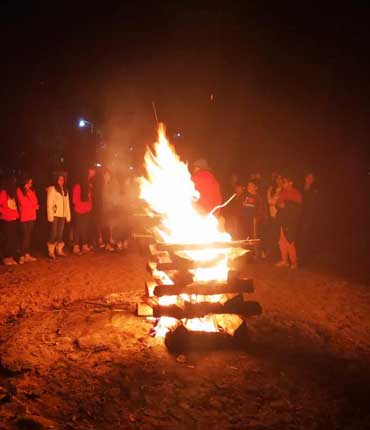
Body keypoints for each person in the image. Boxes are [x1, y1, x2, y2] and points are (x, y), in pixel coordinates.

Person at [276, 174, 302, 269]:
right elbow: (278, 204)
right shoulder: (283, 193)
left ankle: (294, 262)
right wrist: (279, 205)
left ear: (291, 182)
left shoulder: (296, 193)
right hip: (283, 220)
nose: (283, 184)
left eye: (284, 182)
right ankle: (284, 260)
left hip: (291, 221)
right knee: (282, 241)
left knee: (290, 241)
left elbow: (297, 208)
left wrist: (285, 205)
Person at [46, 173, 71, 259]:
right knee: (54, 233)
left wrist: (68, 215)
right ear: (56, 180)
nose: (61, 181)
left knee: (60, 233)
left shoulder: (65, 190)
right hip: (55, 215)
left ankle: (59, 250)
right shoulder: (52, 189)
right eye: (59, 180)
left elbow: (67, 204)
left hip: (62, 215)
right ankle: (51, 251)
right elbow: (49, 202)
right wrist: (50, 215)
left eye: (62, 180)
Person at [16, 175, 39, 263]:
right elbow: (23, 202)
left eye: (31, 183)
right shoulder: (19, 190)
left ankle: (27, 254)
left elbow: (35, 201)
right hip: (24, 216)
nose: (30, 184)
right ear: (24, 182)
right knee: (24, 236)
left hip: (32, 216)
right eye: (28, 183)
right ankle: (22, 255)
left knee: (29, 236)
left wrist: (29, 191)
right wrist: (33, 205)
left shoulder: (32, 190)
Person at [299, 172, 319, 265]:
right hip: (299, 216)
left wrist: (310, 218)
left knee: (305, 237)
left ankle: (304, 259)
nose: (309, 179)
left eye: (311, 177)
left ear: (313, 179)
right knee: (298, 236)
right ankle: (298, 257)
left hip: (308, 217)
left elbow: (313, 205)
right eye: (308, 177)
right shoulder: (300, 188)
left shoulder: (315, 190)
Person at [72, 169, 94, 254]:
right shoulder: (77, 186)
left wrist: (89, 206)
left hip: (86, 210)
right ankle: (76, 246)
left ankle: (84, 245)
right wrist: (81, 206)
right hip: (79, 210)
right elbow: (75, 200)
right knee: (77, 228)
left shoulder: (88, 186)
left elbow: (90, 198)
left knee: (84, 228)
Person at [0, 176, 20, 265]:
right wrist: (4, 212)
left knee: (13, 238)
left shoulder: (12, 193)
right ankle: (6, 257)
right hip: (6, 219)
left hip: (14, 219)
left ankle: (10, 257)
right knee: (7, 239)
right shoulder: (4, 193)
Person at [266, 172, 283, 260]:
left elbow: (271, 202)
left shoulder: (282, 190)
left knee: (277, 236)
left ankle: (277, 256)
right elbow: (270, 203)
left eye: (280, 178)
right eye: (277, 179)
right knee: (272, 235)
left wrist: (268, 192)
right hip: (272, 216)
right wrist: (269, 192)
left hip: (278, 216)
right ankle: (273, 255)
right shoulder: (275, 190)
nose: (278, 180)